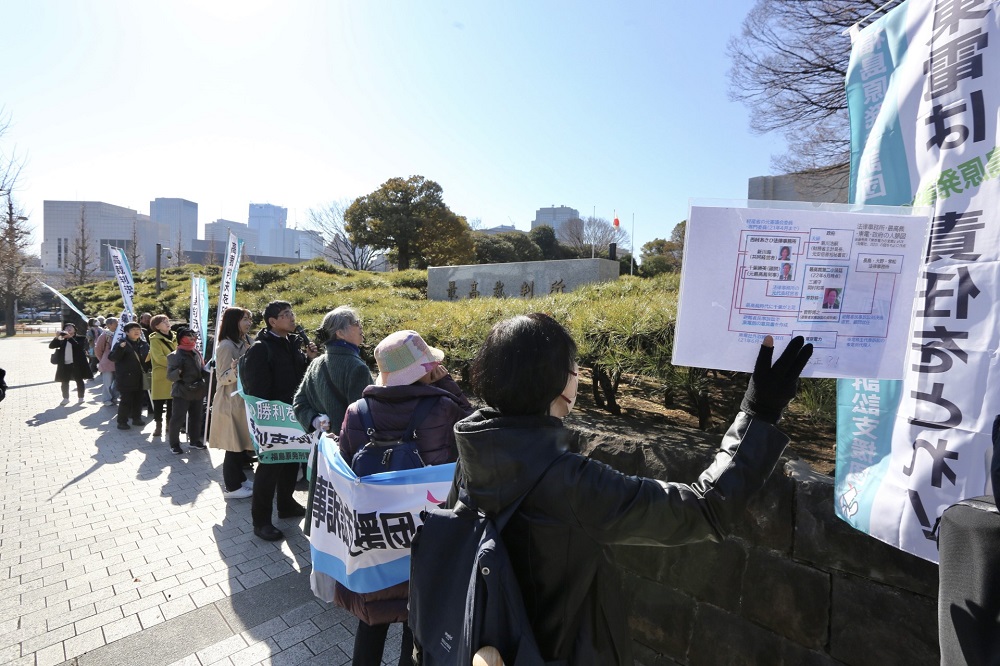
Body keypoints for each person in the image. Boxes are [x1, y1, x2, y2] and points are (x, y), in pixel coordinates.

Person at [439, 313, 812, 664]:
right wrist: (758, 412)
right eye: (574, 367)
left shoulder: (474, 456)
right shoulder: (568, 481)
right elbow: (705, 508)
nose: (579, 376)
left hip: (495, 642)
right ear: (560, 381)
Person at [334, 330, 472, 666]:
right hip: (426, 535)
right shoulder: (443, 407)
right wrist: (450, 385)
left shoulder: (357, 411)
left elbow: (344, 470)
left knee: (372, 620)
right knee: (418, 626)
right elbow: (474, 434)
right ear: (425, 369)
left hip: (377, 537)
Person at [241, 301, 319, 541]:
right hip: (273, 420)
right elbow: (255, 388)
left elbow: (300, 377)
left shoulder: (294, 343)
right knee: (269, 468)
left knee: (291, 460)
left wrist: (310, 359)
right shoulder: (261, 348)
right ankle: (261, 521)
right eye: (286, 315)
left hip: (294, 415)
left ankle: (286, 505)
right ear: (273, 321)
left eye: (292, 313)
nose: (292, 318)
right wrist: (267, 417)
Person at [293, 306, 372, 438]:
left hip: (324, 449)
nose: (360, 326)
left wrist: (315, 420)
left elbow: (299, 403)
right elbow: (361, 419)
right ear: (340, 333)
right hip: (348, 451)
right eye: (356, 322)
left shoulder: (315, 364)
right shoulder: (357, 368)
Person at [209, 307, 256, 498]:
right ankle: (232, 487)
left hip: (241, 401)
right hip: (230, 402)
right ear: (233, 321)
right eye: (245, 319)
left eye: (250, 319)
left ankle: (240, 480)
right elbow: (221, 377)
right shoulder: (226, 346)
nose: (249, 322)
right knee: (233, 446)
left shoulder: (246, 340)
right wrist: (236, 370)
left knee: (240, 445)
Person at [166, 328, 208, 454]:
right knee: (178, 418)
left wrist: (209, 370)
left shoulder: (196, 353)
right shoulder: (174, 356)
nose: (192, 338)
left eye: (193, 336)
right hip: (182, 391)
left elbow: (201, 370)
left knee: (196, 417)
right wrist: (178, 371)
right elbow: (169, 376)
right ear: (181, 338)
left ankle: (194, 441)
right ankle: (174, 444)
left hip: (198, 390)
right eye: (189, 336)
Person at [108, 322, 150, 430]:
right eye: (133, 330)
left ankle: (137, 418)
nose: (137, 331)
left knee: (139, 399)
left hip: (140, 377)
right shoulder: (122, 343)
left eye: (138, 329)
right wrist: (120, 349)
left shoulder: (144, 344)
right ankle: (122, 421)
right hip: (126, 378)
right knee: (126, 400)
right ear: (127, 332)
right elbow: (112, 358)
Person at [49, 323, 94, 405]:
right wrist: (56, 337)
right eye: (66, 327)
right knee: (64, 381)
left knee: (79, 380)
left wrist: (69, 338)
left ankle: (81, 397)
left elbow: (79, 347)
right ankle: (65, 398)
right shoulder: (62, 339)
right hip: (64, 363)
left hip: (77, 363)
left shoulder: (81, 338)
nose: (68, 328)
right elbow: (51, 346)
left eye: (71, 327)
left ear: (75, 329)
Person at [147, 314, 176, 438]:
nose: (167, 323)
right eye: (163, 322)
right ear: (157, 326)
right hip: (162, 374)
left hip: (174, 374)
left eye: (167, 321)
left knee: (171, 401)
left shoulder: (176, 337)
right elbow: (159, 358)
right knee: (159, 402)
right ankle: (158, 425)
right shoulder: (155, 340)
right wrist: (176, 363)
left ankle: (169, 424)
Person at [94, 318, 119, 406]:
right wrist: (102, 360)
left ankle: (115, 397)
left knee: (118, 382)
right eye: (116, 323)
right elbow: (98, 349)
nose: (118, 324)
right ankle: (106, 399)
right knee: (107, 382)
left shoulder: (120, 334)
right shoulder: (105, 335)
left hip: (119, 363)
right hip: (107, 363)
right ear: (109, 325)